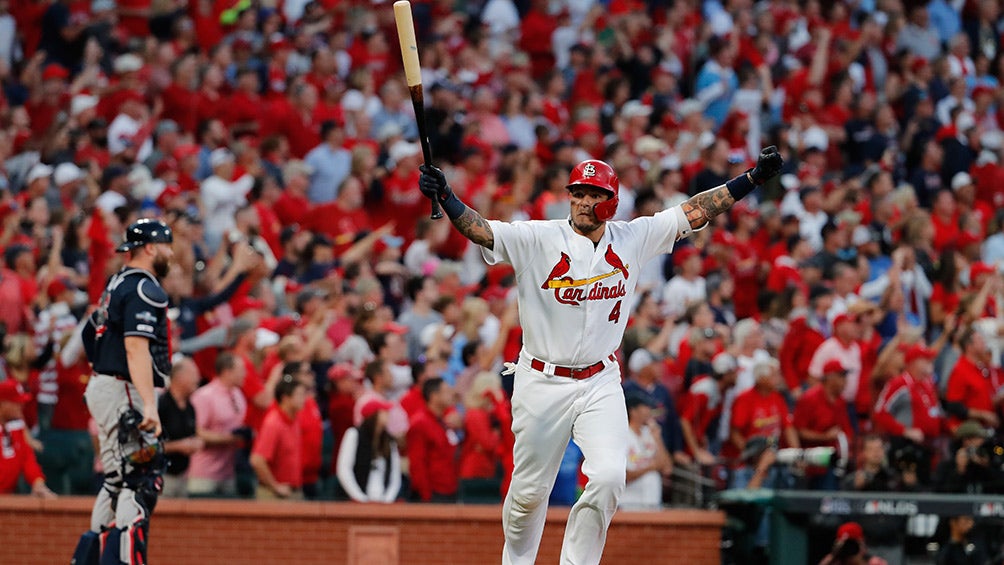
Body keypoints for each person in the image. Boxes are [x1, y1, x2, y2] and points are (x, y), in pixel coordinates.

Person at [418, 145, 783, 563]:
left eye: (594, 194)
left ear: (612, 201)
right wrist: (446, 196)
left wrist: (750, 180)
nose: (583, 201)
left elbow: (694, 211)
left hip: (600, 380)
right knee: (526, 497)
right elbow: (482, 230)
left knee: (610, 476)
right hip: (540, 378)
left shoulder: (633, 236)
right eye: (578, 192)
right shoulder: (538, 237)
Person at [79, 218, 174, 565]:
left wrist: (103, 371)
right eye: (166, 245)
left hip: (103, 386)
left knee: (116, 480)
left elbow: (89, 336)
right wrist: (148, 404)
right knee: (143, 479)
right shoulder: (142, 287)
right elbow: (137, 348)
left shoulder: (115, 282)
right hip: (125, 389)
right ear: (150, 247)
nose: (170, 253)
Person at [250, 367, 307, 500]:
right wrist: (275, 486)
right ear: (285, 398)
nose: (304, 399)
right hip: (275, 496)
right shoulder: (274, 423)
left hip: (293, 491)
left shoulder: (294, 420)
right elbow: (257, 460)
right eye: (299, 395)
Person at [335, 398, 401, 503]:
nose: (388, 414)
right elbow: (344, 469)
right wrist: (360, 498)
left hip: (383, 502)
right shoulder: (354, 434)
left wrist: (387, 500)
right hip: (356, 502)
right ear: (374, 415)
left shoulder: (389, 441)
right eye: (384, 412)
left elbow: (395, 476)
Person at [0, 380, 56, 497]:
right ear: (3, 403)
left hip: (7, 497)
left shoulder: (16, 426)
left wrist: (37, 483)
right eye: (16, 402)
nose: (22, 405)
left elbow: (27, 457)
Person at [157, 356, 204, 498]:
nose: (198, 379)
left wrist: (195, 443)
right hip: (162, 476)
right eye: (194, 375)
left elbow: (192, 433)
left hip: (183, 476)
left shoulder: (190, 407)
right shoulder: (161, 405)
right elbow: (148, 447)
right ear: (180, 377)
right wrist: (178, 446)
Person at [818, 522, 888, 565]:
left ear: (862, 543)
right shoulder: (834, 562)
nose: (850, 548)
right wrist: (834, 554)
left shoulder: (875, 563)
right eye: (847, 545)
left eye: (853, 544)